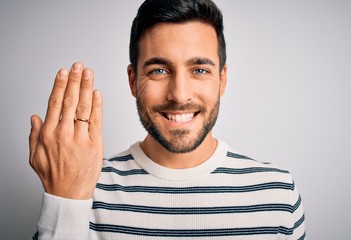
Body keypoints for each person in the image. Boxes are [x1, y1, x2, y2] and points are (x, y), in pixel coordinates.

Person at [29, 0, 305, 239]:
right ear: (133, 80)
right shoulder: (82, 188)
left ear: (222, 79)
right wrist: (65, 200)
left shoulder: (277, 194)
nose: (179, 94)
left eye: (199, 70)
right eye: (159, 70)